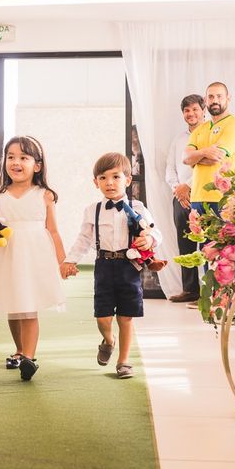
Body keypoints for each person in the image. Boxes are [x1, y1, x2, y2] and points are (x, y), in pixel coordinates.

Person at [0, 136, 65, 381]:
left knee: (28, 306)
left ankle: (29, 359)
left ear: (37, 165)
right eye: (10, 157)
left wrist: (63, 260)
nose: (16, 162)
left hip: (35, 256)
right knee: (13, 307)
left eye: (24, 157)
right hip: (8, 255)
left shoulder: (44, 195)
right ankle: (20, 350)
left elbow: (53, 230)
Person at [60, 153, 162, 379]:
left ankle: (124, 361)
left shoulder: (138, 207)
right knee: (103, 317)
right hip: (104, 267)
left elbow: (155, 231)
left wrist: (150, 239)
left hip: (129, 267)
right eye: (103, 177)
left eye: (116, 177)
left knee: (126, 317)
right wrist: (70, 260)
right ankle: (108, 340)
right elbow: (84, 239)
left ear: (127, 180)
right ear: (95, 182)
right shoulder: (92, 210)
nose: (109, 182)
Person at [183, 82, 235, 322]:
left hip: (224, 199)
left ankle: (232, 307)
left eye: (219, 96)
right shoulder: (200, 129)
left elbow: (218, 156)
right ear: (206, 100)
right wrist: (201, 155)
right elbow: (186, 158)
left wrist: (199, 155)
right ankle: (212, 305)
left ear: (228, 98)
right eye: (210, 96)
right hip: (199, 198)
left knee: (227, 253)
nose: (214, 100)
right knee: (205, 252)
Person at [165, 94, 205, 304]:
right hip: (180, 199)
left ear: (203, 110)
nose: (191, 114)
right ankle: (190, 290)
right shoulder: (179, 139)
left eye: (195, 109)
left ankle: (210, 292)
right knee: (185, 244)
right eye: (187, 111)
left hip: (203, 196)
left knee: (208, 244)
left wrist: (187, 187)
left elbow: (206, 167)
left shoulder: (209, 135)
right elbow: (170, 169)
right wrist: (177, 189)